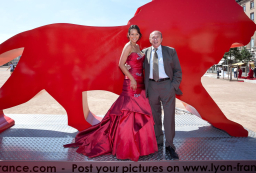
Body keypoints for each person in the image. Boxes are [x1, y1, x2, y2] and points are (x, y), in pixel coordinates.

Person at [63, 25, 158, 161]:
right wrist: (131, 78)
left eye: (136, 34)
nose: (134, 36)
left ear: (139, 35)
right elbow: (120, 64)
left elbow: (137, 63)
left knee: (139, 113)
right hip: (131, 82)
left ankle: (139, 145)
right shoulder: (128, 46)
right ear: (128, 35)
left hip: (140, 82)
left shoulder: (138, 47)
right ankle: (126, 146)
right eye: (132, 34)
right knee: (127, 112)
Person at [142, 31, 182, 160]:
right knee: (155, 117)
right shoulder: (144, 52)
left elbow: (177, 70)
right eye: (152, 37)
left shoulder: (170, 51)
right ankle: (158, 142)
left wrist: (173, 86)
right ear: (149, 39)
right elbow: (137, 66)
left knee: (169, 117)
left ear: (161, 39)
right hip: (152, 87)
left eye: (157, 37)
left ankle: (170, 146)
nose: (155, 39)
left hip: (167, 86)